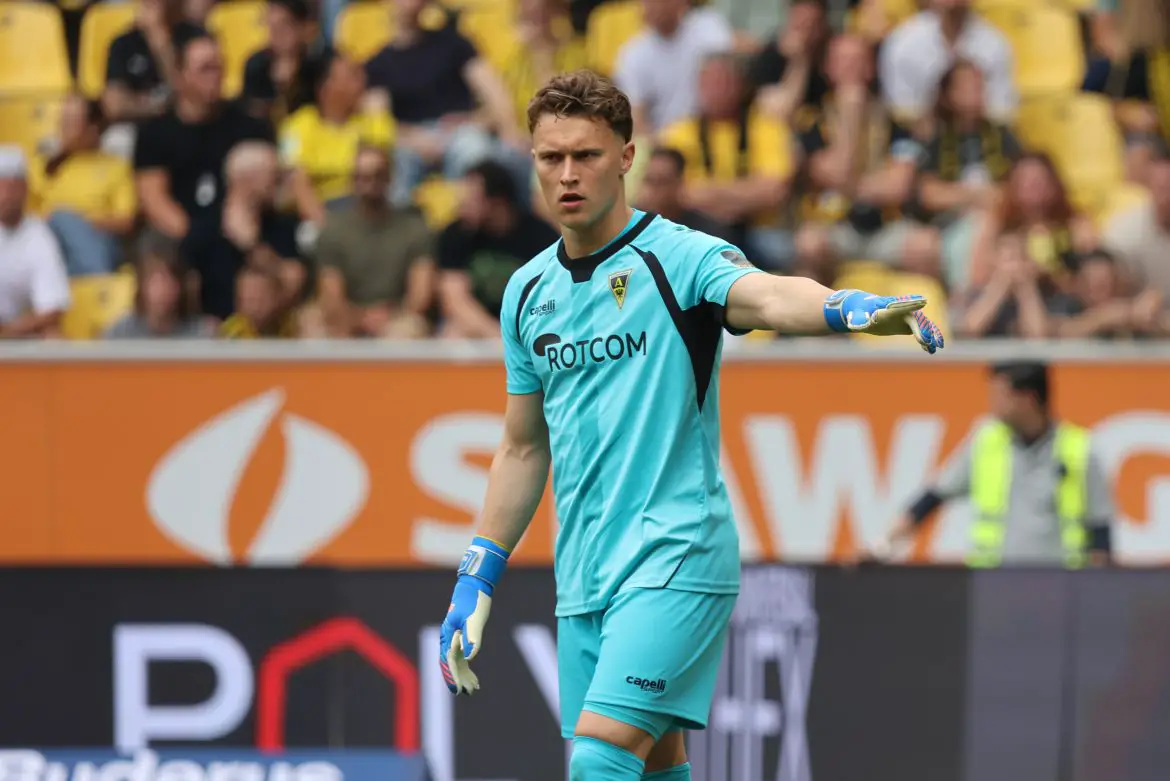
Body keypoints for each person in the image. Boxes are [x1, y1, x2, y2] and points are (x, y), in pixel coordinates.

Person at [436, 70, 943, 781]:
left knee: (600, 761)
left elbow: (764, 294)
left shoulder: (675, 255)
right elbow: (523, 447)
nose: (569, 173)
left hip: (676, 554)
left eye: (586, 154)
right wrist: (477, 575)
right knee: (655, 766)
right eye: (552, 158)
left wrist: (841, 307)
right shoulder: (526, 292)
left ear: (626, 157)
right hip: (585, 574)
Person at [874, 361, 1113, 568]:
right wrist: (883, 547)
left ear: (1027, 399)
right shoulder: (985, 443)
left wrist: (1096, 589)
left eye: (1000, 396)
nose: (992, 404)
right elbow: (932, 498)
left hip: (1061, 586)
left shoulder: (1079, 449)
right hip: (993, 583)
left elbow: (1100, 530)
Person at [134, 34, 275, 242]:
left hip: (242, 234)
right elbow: (155, 201)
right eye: (205, 69)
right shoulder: (155, 134)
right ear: (180, 76)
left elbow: (269, 190)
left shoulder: (249, 126)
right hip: (184, 240)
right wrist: (199, 241)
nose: (215, 76)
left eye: (218, 67)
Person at [310, 146, 437, 338]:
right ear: (352, 180)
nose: (370, 183)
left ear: (389, 178)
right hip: (348, 315)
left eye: (377, 175)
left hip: (398, 316)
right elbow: (331, 296)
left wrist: (388, 317)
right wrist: (361, 318)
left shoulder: (415, 229)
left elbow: (420, 296)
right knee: (314, 323)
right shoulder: (333, 230)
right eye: (362, 176)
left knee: (408, 329)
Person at [436, 160, 558, 338]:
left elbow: (551, 298)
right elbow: (455, 301)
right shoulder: (457, 232)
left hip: (527, 325)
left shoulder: (541, 236)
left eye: (472, 198)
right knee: (452, 334)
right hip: (480, 326)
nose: (463, 205)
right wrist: (498, 338)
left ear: (498, 202)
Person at [29, 94, 137, 277]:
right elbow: (29, 216)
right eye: (62, 121)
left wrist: (79, 223)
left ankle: (93, 278)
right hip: (50, 244)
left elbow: (125, 220)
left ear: (93, 128)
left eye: (71, 123)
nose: (62, 129)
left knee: (62, 217)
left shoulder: (115, 167)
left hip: (98, 240)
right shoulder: (42, 166)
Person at [0, 147, 71, 339]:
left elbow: (51, 310)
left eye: (10, 188)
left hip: (18, 332)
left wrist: (7, 331)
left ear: (23, 189)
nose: (5, 196)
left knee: (53, 337)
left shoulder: (38, 236)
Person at [105, 235, 214, 338]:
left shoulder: (201, 334)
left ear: (181, 285)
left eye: (169, 279)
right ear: (142, 283)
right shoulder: (119, 335)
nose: (162, 289)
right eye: (154, 279)